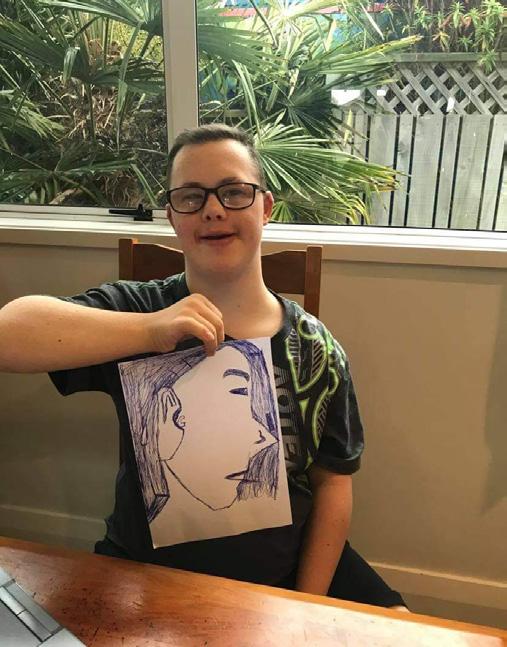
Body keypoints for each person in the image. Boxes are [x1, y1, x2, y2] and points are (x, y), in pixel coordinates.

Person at [0, 124, 405, 607]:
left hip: (279, 579)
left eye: (234, 192)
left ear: (265, 207)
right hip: (146, 574)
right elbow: (10, 335)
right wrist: (148, 330)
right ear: (173, 217)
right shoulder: (138, 311)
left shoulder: (316, 349)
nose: (213, 209)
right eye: (191, 197)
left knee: (407, 625)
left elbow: (333, 481)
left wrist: (305, 606)